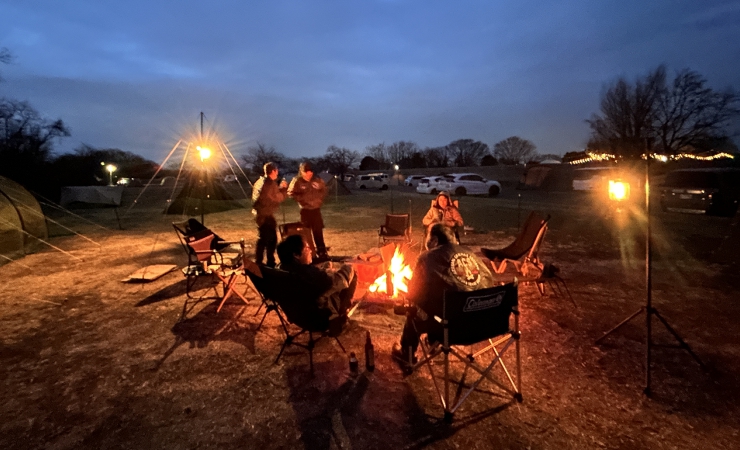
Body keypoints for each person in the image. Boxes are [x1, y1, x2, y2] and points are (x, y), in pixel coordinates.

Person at [392, 223, 495, 367]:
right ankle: (432, 341)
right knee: (445, 302)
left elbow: (414, 293)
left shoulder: (428, 257)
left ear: (434, 240)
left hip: (451, 329)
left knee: (414, 309)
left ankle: (406, 354)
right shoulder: (471, 254)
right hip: (484, 324)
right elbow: (489, 281)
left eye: (427, 236)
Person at [276, 234, 358, 326]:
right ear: (296, 255)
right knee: (350, 270)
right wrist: (349, 266)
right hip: (320, 318)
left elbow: (318, 279)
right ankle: (341, 315)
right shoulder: (306, 274)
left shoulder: (282, 271)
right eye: (307, 248)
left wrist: (326, 269)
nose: (311, 251)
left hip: (298, 317)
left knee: (328, 267)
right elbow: (335, 282)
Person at [288, 161, 329, 261]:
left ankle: (322, 252)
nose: (309, 174)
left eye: (310, 172)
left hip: (316, 210)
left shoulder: (317, 180)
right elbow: (290, 193)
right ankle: (311, 254)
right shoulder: (297, 181)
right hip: (305, 210)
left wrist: (320, 198)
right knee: (306, 234)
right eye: (306, 173)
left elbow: (324, 189)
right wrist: (302, 199)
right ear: (302, 172)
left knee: (318, 232)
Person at [251, 162, 288, 267]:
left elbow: (270, 195)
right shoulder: (269, 183)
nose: (277, 173)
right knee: (269, 240)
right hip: (264, 215)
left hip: (261, 214)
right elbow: (277, 198)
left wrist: (279, 189)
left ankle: (263, 261)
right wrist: (284, 189)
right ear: (273, 171)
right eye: (276, 171)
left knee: (265, 238)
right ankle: (265, 262)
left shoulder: (260, 181)